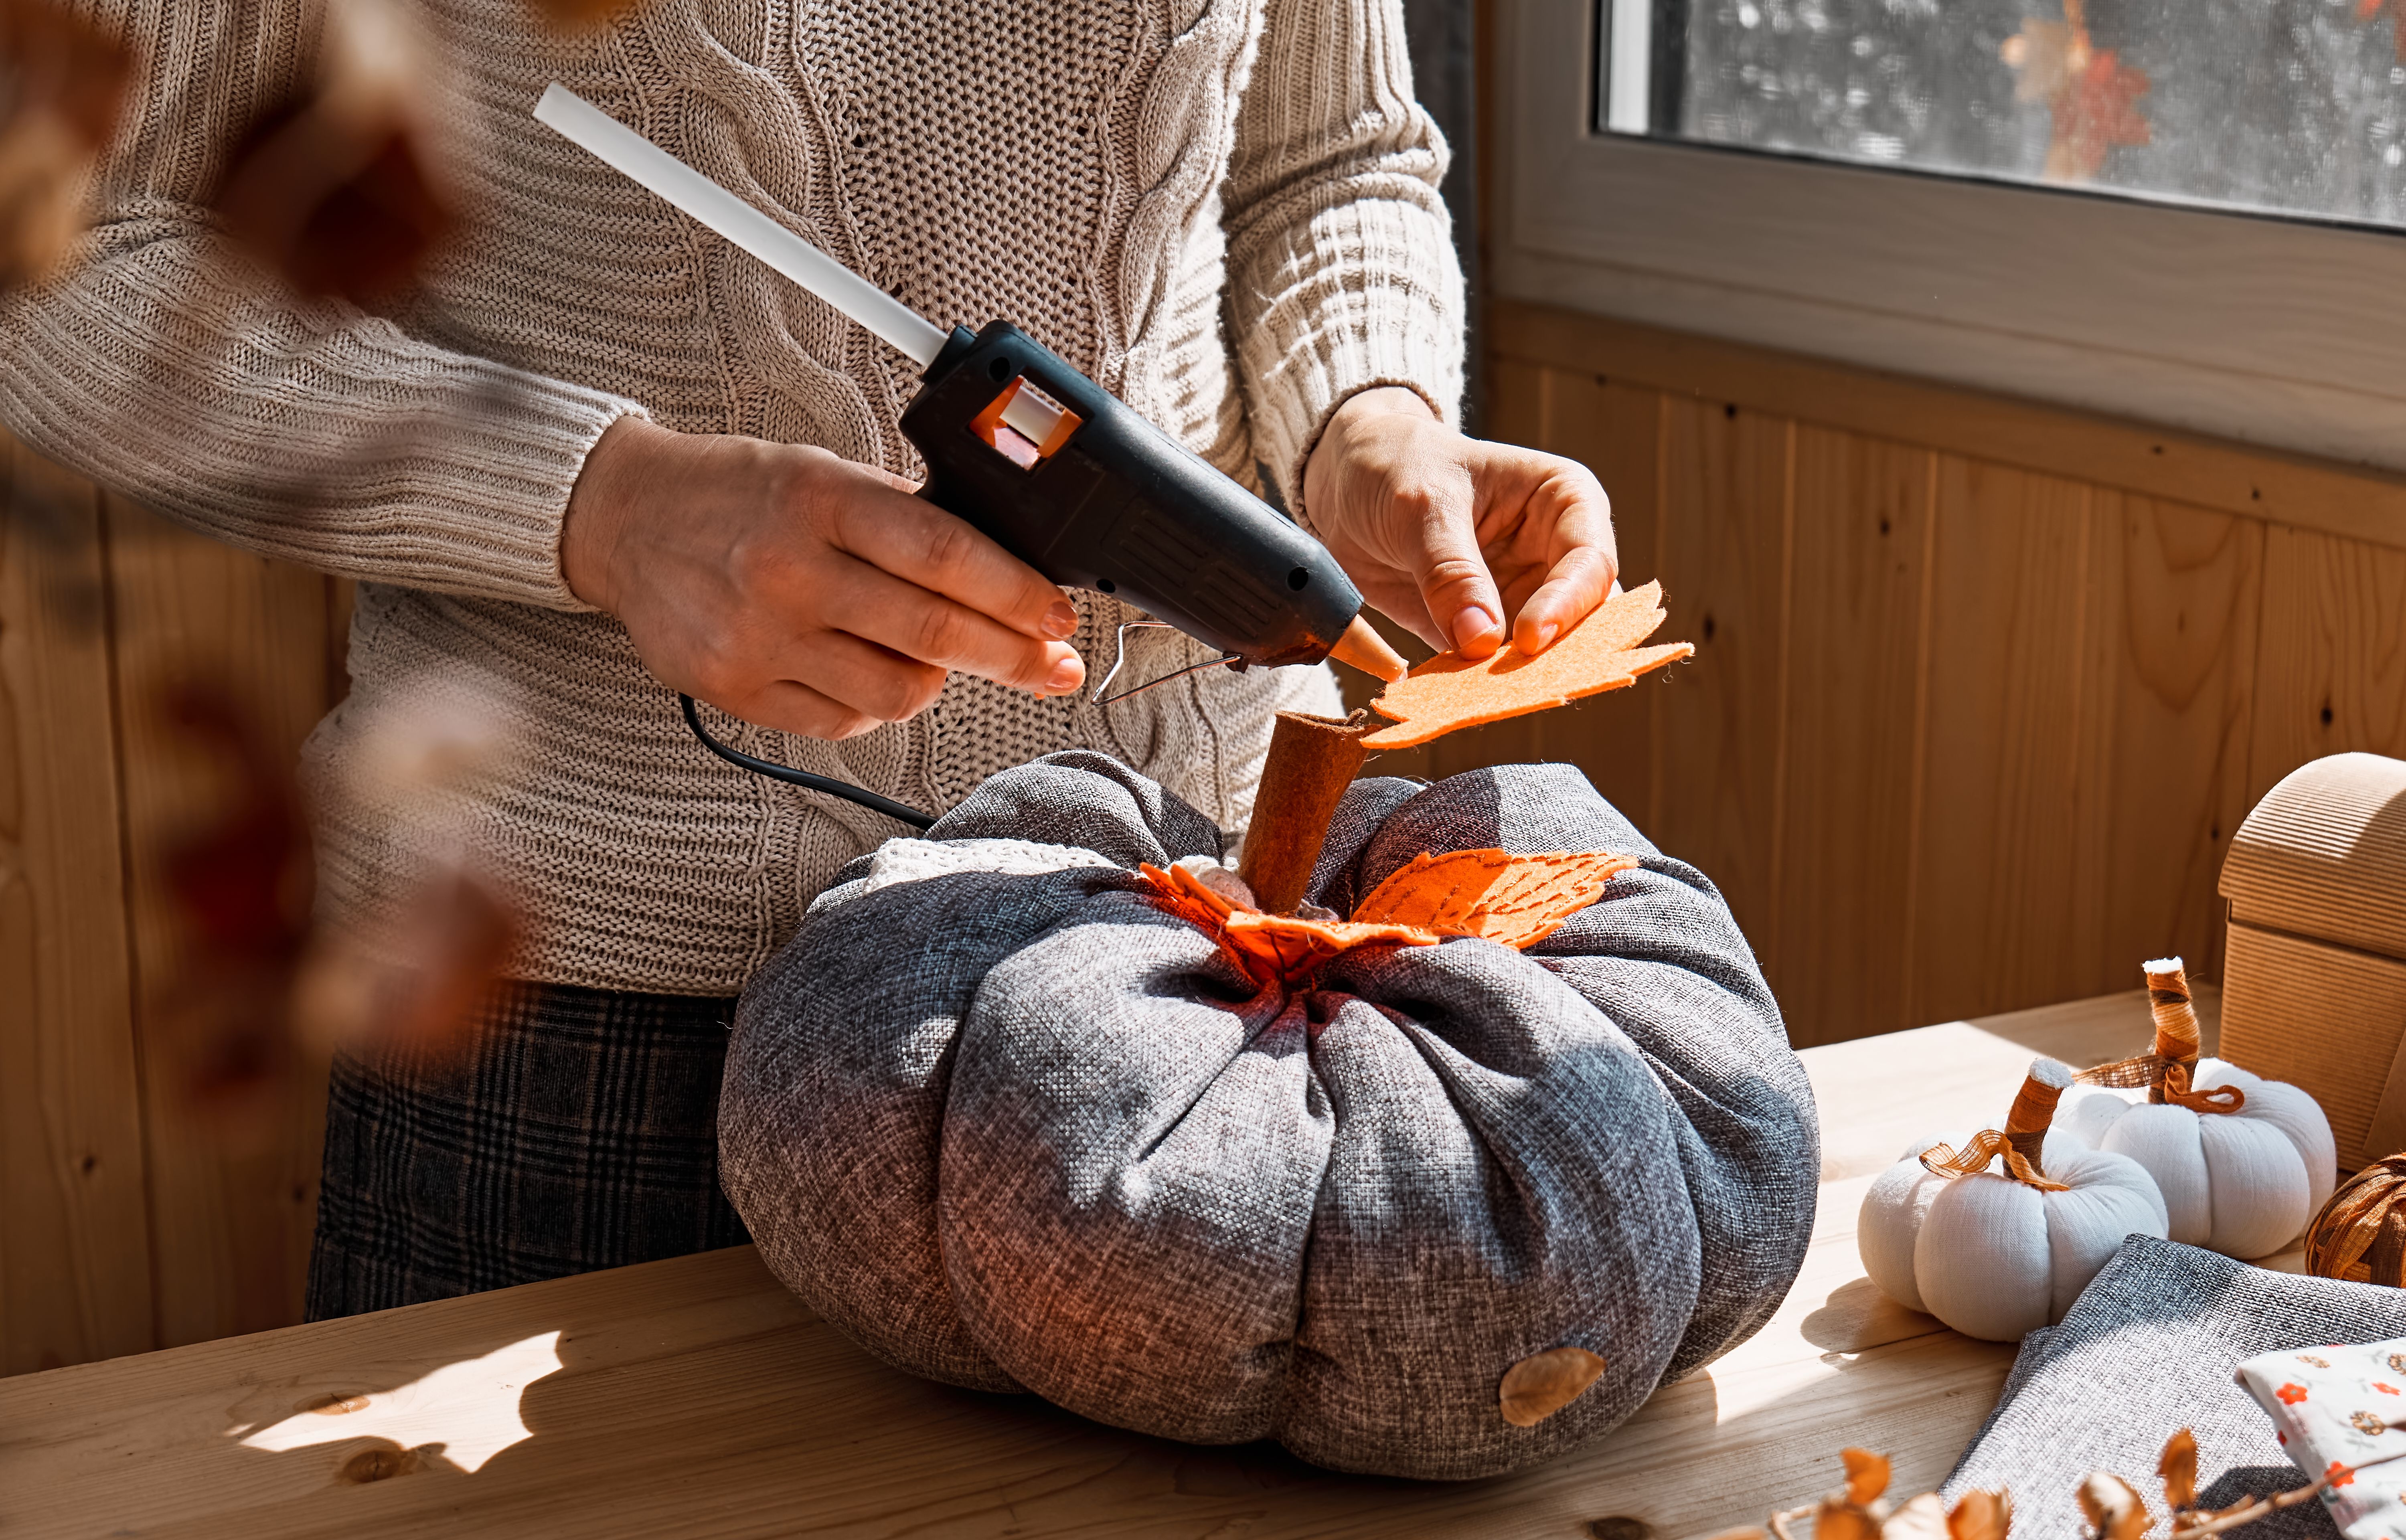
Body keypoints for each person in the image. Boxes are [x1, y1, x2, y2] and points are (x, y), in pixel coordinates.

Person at [0, 0, 1618, 1318]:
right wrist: (598, 508)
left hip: (1174, 949)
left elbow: (1327, 158)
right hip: (589, 1007)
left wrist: (1369, 414)